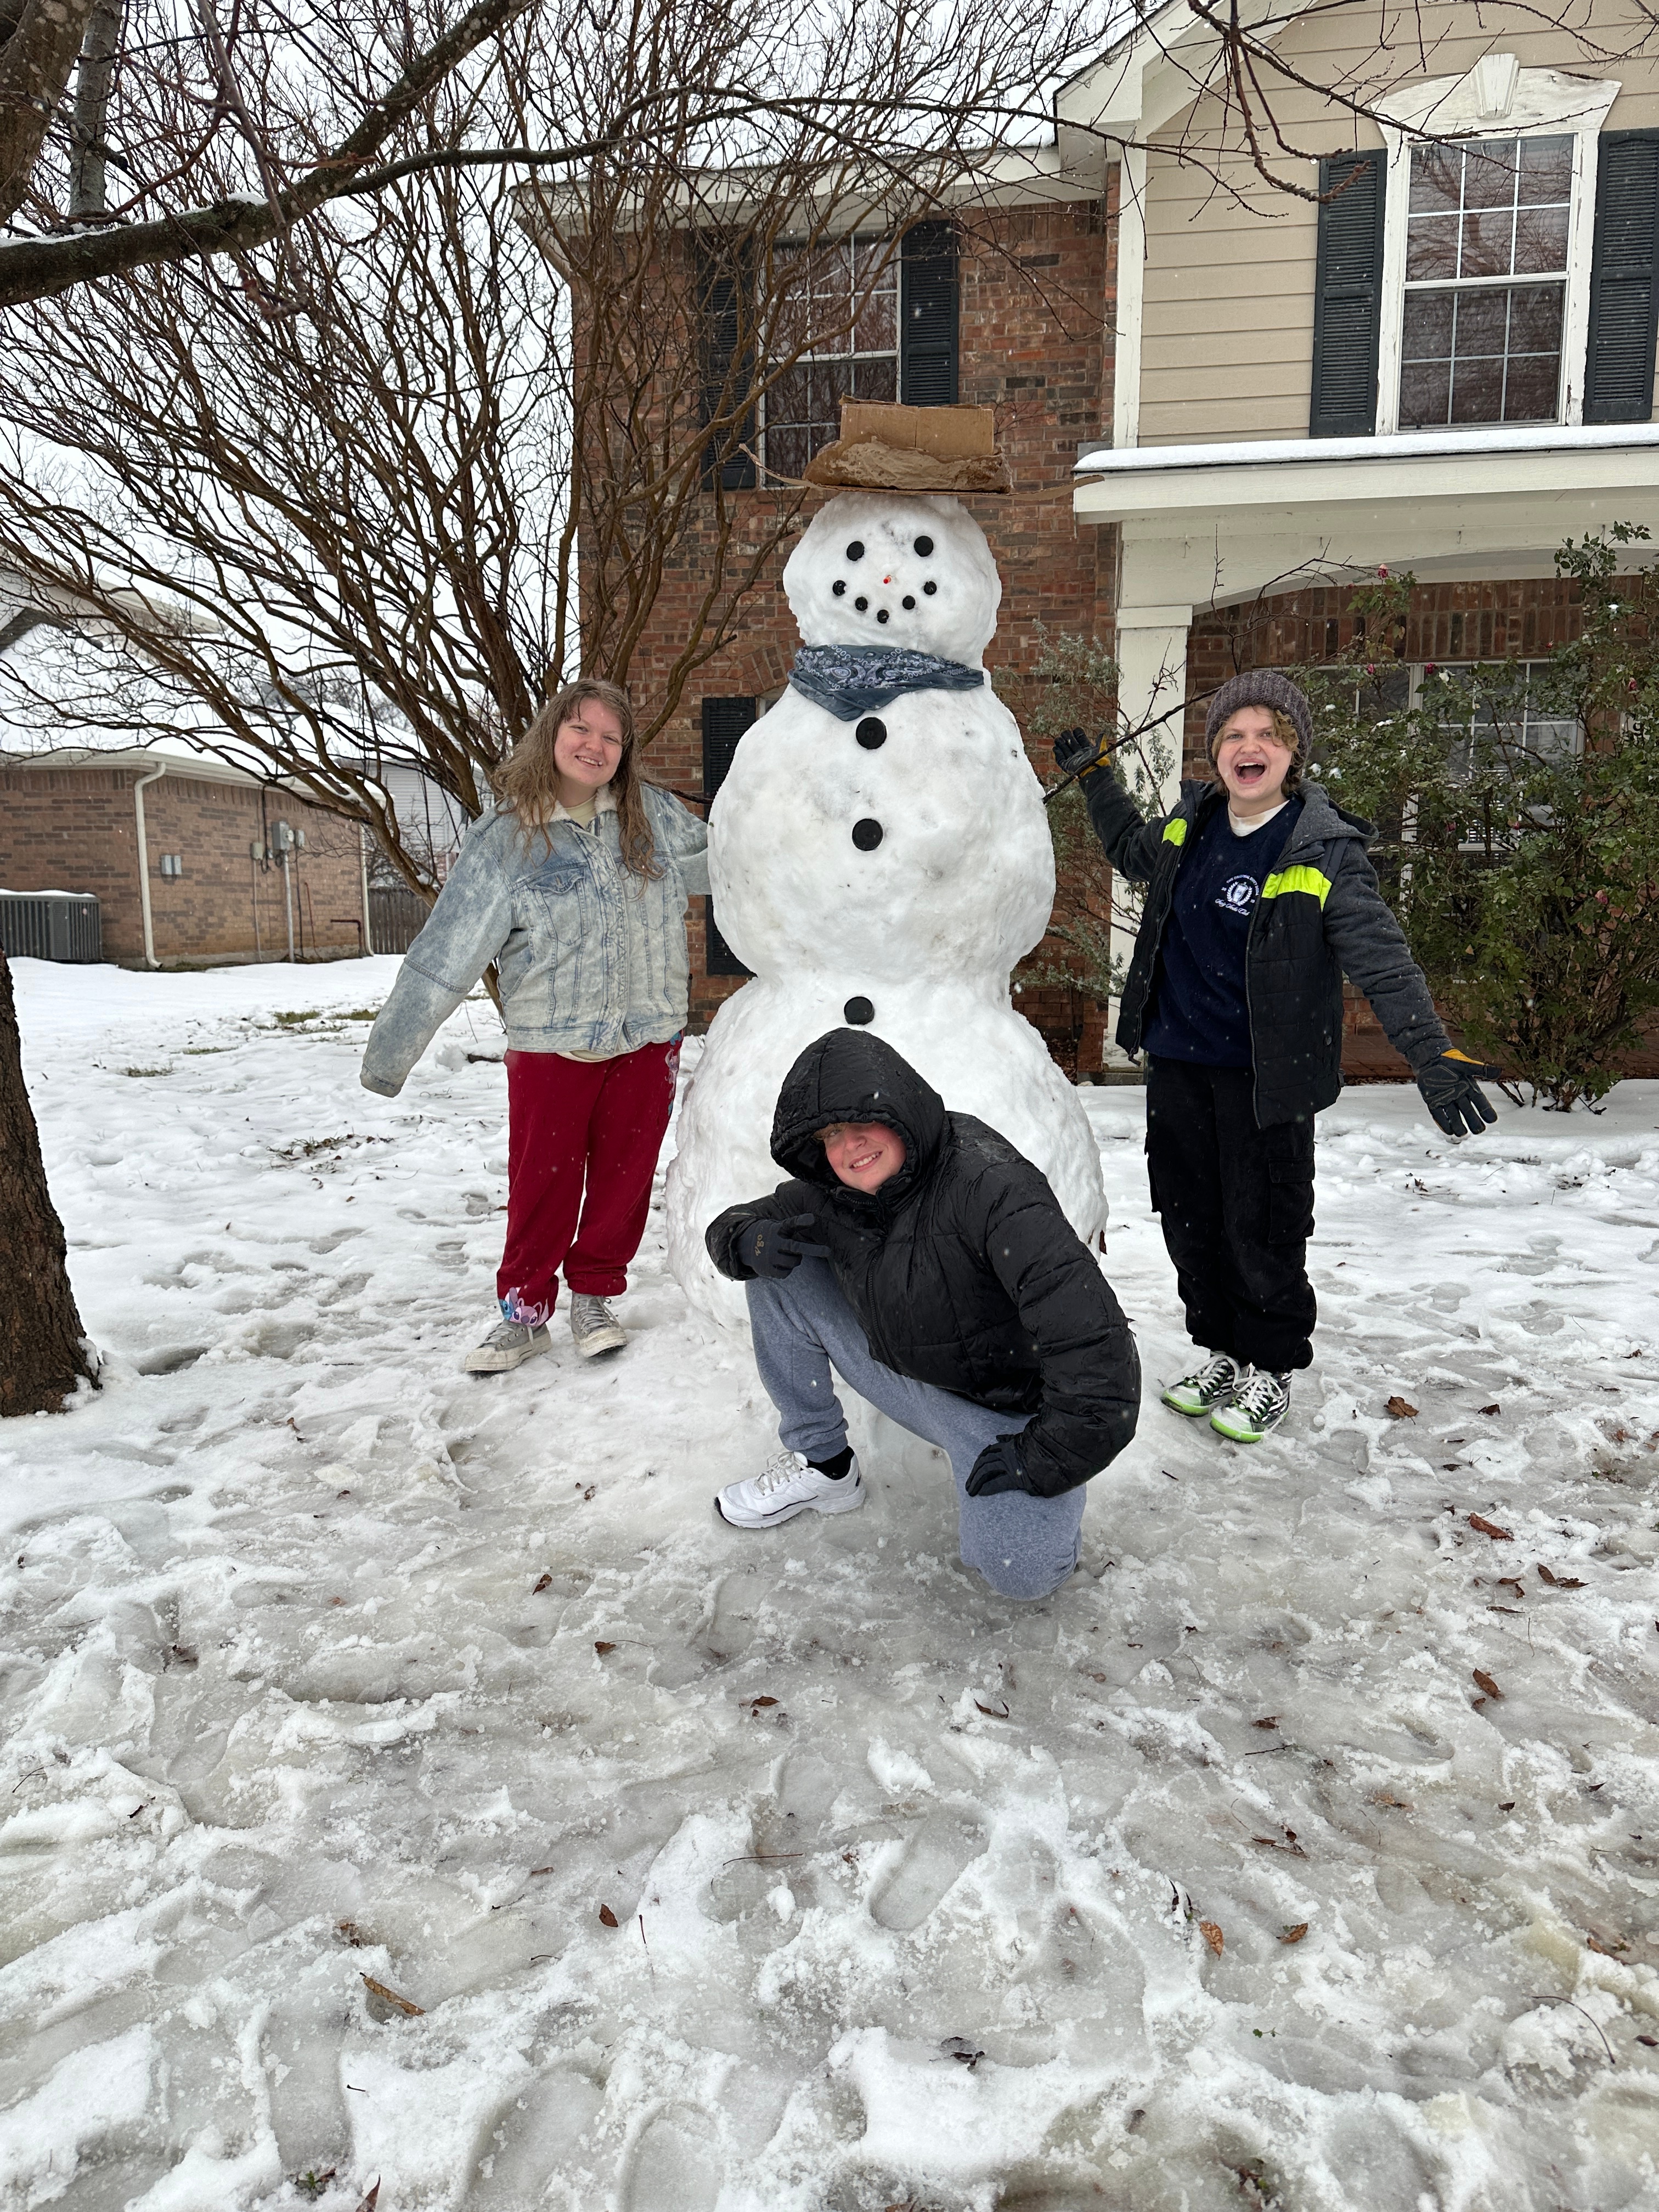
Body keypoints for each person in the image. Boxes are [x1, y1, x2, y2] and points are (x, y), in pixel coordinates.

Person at [1055, 670, 1498, 1445]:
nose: (1249, 747)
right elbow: (1131, 851)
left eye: (1269, 734)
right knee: (1191, 1220)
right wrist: (1097, 779)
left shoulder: (1321, 849)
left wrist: (1430, 1051)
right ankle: (1223, 1351)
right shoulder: (1189, 827)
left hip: (1269, 1081)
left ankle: (1271, 1368)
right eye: (1234, 734)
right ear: (1216, 752)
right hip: (1180, 1065)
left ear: (1292, 755)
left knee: (1262, 1225)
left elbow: (1382, 959)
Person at [704, 1029, 1141, 1601]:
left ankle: (1046, 1513)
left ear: (903, 1111)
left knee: (1020, 1574)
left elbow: (1100, 1359)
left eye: (865, 1121)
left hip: (1000, 1414)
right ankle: (825, 1465)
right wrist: (746, 1241)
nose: (851, 1146)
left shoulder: (992, 1189)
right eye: (833, 1134)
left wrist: (1046, 1458)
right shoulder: (833, 1190)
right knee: (774, 1271)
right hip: (902, 1374)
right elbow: (730, 1225)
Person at [360, 679, 708, 1373]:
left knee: (624, 1178)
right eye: (582, 729)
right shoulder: (507, 839)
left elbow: (747, 869)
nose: (596, 746)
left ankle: (595, 1296)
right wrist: (389, 1059)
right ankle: (524, 1313)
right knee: (542, 1182)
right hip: (551, 1041)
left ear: (625, 751)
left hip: (648, 1037)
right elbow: (446, 954)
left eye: (612, 737)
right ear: (552, 735)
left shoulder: (656, 820)